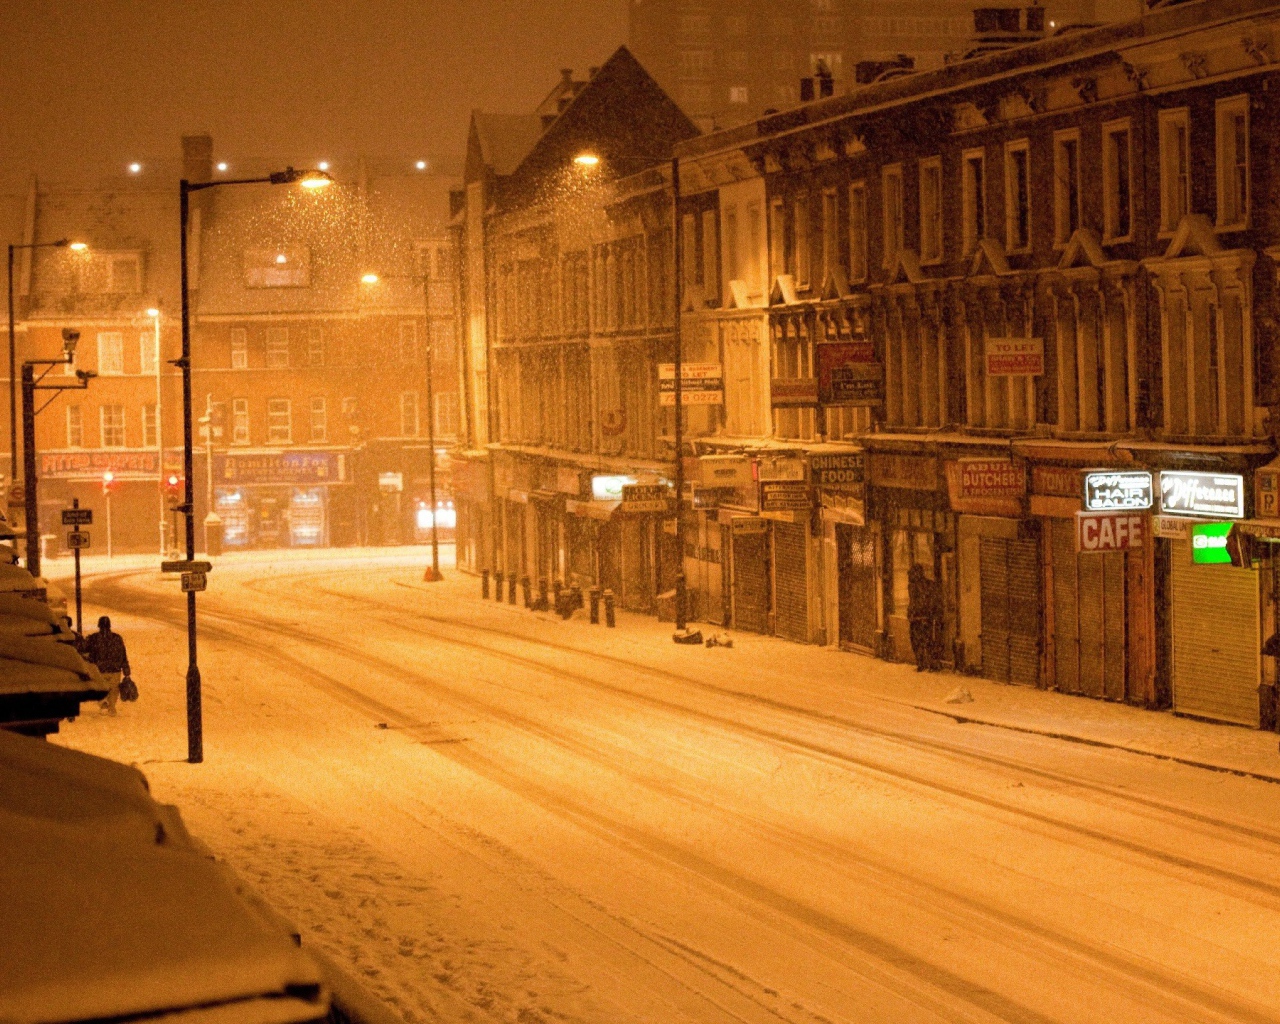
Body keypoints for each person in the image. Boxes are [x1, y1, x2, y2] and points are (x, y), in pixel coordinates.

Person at [86, 615, 131, 715]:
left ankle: (103, 703)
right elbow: (123, 653)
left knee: (99, 688)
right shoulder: (117, 638)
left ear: (99, 626)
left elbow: (88, 653)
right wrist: (126, 668)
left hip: (99, 669)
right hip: (115, 668)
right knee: (114, 689)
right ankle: (112, 706)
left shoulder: (94, 638)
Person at [907, 563, 940, 672]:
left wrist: (914, 613)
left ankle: (924, 663)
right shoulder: (926, 584)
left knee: (920, 641)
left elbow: (918, 602)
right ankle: (927, 663)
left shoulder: (917, 586)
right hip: (922, 617)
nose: (909, 577)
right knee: (926, 640)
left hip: (920, 617)